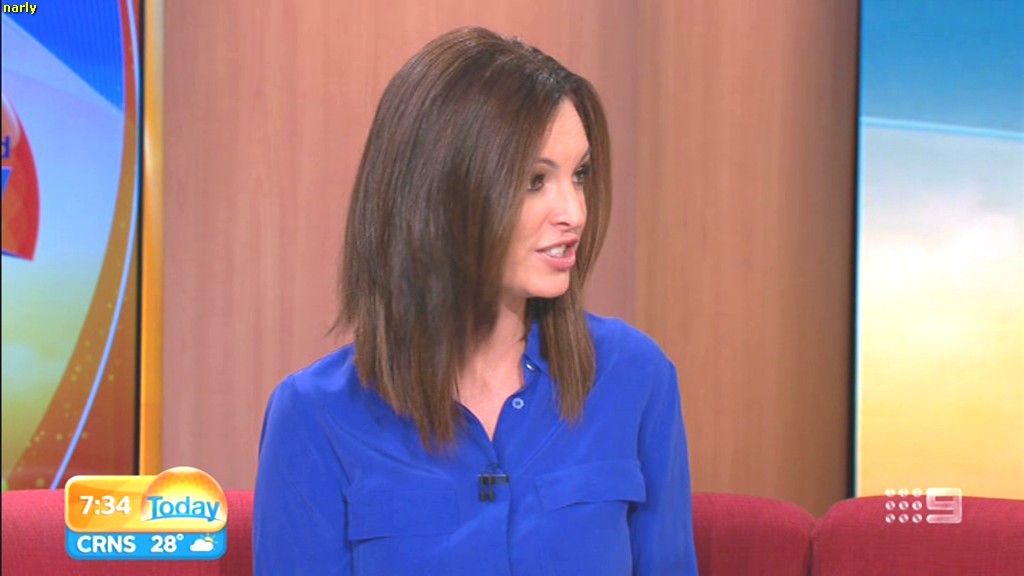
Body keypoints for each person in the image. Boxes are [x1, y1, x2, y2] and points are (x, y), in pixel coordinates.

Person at [254, 26, 698, 575]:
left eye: (580, 175)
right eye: (535, 180)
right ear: (441, 196)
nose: (575, 213)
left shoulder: (635, 375)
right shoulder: (314, 417)